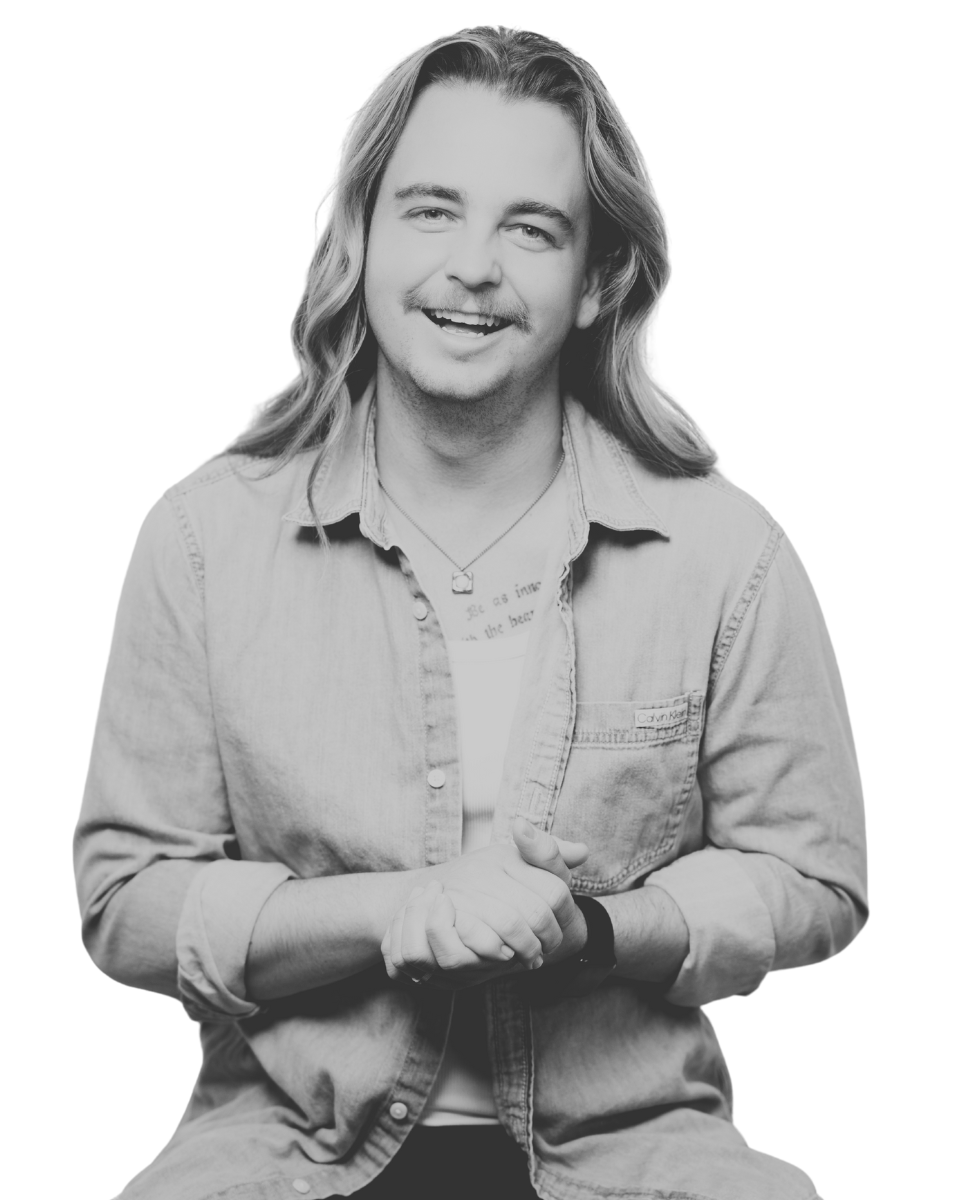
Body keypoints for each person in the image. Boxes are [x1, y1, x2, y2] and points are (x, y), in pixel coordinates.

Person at [73, 24, 865, 1200]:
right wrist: (396, 910)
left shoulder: (730, 551)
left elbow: (815, 890)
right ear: (362, 237)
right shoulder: (204, 539)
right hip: (282, 1148)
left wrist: (592, 930)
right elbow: (119, 907)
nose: (473, 266)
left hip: (640, 1145)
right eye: (432, 210)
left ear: (597, 277)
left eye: (530, 227)